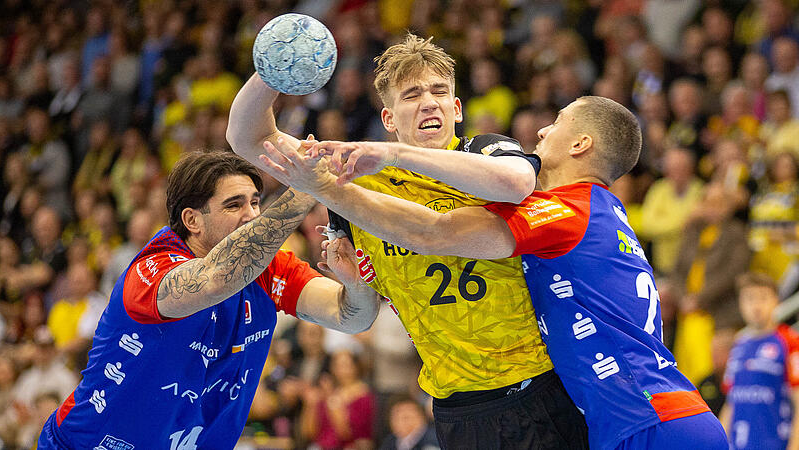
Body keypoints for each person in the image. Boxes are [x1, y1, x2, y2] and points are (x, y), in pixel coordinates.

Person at [258, 95, 729, 450]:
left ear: (581, 144)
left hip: (648, 421)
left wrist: (347, 178)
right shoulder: (602, 210)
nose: (542, 131)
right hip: (640, 419)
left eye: (558, 123)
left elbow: (439, 232)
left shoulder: (568, 210)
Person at [228, 33, 588, 448]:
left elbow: (518, 183)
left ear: (456, 109)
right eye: (412, 95)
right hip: (455, 408)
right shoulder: (355, 179)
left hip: (540, 389)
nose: (429, 101)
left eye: (439, 91)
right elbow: (247, 138)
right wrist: (276, 66)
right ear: (388, 120)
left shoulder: (484, 151)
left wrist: (394, 155)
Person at [37, 150, 381, 449]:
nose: (251, 215)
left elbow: (353, 316)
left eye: (255, 202)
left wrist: (356, 282)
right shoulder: (151, 270)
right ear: (192, 220)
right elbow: (216, 279)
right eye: (234, 205)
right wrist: (307, 186)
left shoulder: (269, 269)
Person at [719, 272, 799, 450]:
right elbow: (730, 403)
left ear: (776, 301)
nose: (756, 306)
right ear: (740, 304)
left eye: (763, 298)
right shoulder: (739, 345)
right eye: (750, 299)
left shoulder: (789, 342)